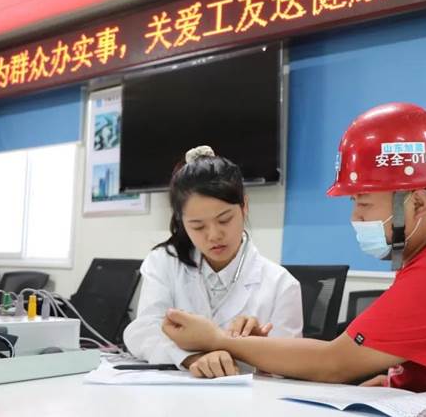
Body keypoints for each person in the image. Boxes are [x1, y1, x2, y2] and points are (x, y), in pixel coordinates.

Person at [161, 103, 426, 412]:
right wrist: (396, 379)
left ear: (415, 202)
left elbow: (336, 362)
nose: (355, 216)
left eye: (363, 202)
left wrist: (216, 339)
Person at [123, 145, 303, 377]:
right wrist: (192, 358)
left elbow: (294, 365)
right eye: (197, 226)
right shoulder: (164, 262)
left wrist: (259, 350)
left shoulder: (281, 285)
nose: (213, 235)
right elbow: (142, 331)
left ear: (244, 207)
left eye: (224, 220)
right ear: (181, 222)